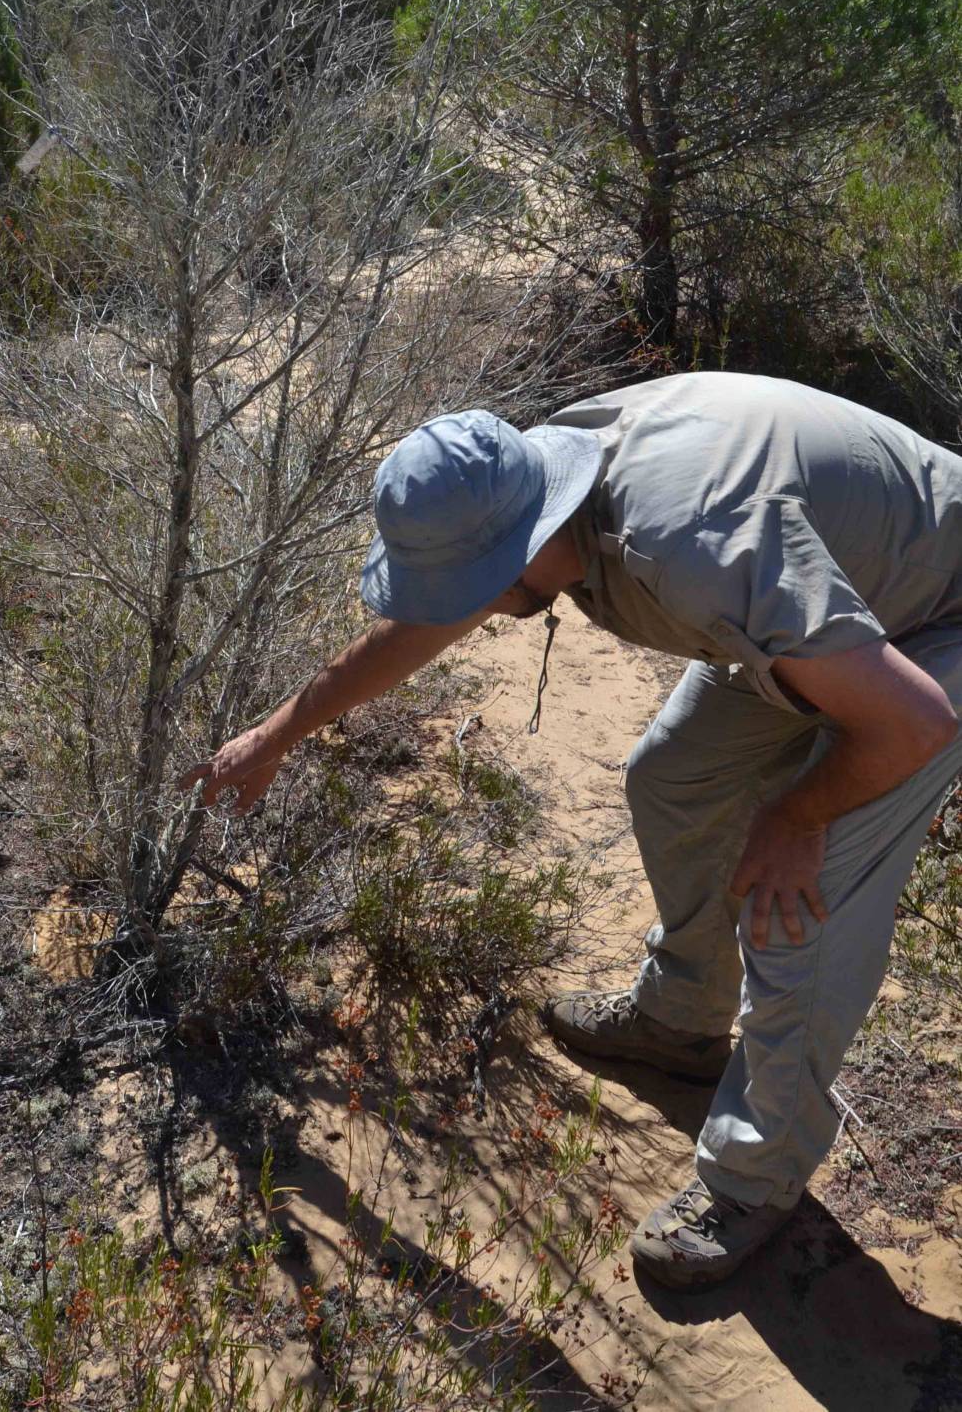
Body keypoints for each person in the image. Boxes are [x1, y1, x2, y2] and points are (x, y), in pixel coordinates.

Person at [181, 372, 962, 1291]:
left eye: (479, 582)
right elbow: (423, 626)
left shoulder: (690, 542)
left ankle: (754, 1178)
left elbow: (914, 723)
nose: (472, 604)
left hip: (934, 631)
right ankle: (681, 1020)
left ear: (532, 535)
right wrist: (276, 736)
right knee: (673, 779)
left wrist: (795, 815)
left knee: (801, 899)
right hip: (826, 604)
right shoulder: (539, 481)